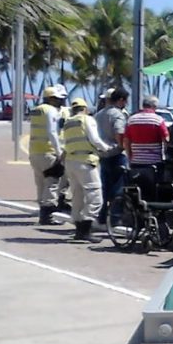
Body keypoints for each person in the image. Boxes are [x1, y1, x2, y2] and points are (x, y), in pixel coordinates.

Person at [61, 98, 112, 241]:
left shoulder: (68, 122)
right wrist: (106, 148)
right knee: (95, 196)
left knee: (77, 196)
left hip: (70, 162)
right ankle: (85, 229)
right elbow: (95, 139)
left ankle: (78, 229)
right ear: (85, 109)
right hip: (85, 162)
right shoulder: (87, 119)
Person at [29, 85, 67, 225]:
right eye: (56, 99)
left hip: (34, 152)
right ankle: (47, 216)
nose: (59, 102)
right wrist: (59, 152)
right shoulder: (50, 110)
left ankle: (42, 213)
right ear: (51, 99)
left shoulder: (36, 110)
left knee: (40, 183)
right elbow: (52, 132)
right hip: (48, 151)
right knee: (52, 182)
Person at [94, 88, 129, 224]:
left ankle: (101, 217)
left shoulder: (99, 114)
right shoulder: (118, 115)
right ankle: (115, 218)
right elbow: (119, 133)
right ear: (120, 100)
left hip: (103, 155)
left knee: (104, 188)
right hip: (116, 154)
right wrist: (123, 146)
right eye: (125, 100)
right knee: (119, 188)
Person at [124, 95, 169, 167]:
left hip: (136, 162)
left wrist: (130, 157)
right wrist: (165, 155)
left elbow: (126, 141)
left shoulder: (131, 120)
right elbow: (166, 140)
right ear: (154, 106)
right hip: (154, 163)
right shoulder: (158, 120)